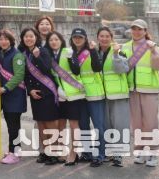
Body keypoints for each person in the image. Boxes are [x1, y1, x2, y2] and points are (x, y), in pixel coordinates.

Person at [123, 19, 159, 167]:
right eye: (134, 29)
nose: (136, 32)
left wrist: (153, 51)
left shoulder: (152, 46)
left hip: (149, 90)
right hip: (132, 90)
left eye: (140, 29)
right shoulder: (125, 47)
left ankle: (153, 153)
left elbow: (158, 66)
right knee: (137, 124)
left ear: (145, 31)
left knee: (150, 123)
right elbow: (122, 67)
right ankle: (140, 151)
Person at [19, 27, 61, 165]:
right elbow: (25, 75)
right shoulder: (24, 54)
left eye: (31, 36)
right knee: (40, 123)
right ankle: (45, 152)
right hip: (34, 93)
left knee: (50, 123)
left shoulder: (43, 51)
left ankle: (54, 153)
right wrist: (30, 90)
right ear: (23, 39)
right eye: (26, 36)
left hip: (47, 91)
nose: (29, 39)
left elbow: (46, 69)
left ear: (36, 37)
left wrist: (38, 57)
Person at [46, 31, 85, 166]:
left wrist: (70, 58)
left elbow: (76, 70)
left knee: (74, 124)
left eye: (56, 39)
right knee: (61, 125)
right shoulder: (49, 56)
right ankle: (62, 152)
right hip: (60, 95)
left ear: (61, 40)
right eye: (51, 40)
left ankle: (74, 153)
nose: (54, 42)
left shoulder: (69, 51)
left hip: (73, 93)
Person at [69, 28, 106, 167]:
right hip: (80, 94)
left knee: (98, 126)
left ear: (85, 39)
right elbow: (74, 72)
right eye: (75, 37)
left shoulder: (91, 51)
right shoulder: (71, 53)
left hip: (95, 94)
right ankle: (87, 153)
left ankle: (100, 155)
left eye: (80, 37)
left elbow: (97, 68)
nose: (77, 39)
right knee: (83, 126)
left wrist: (92, 50)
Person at [96, 27, 130, 167]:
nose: (104, 39)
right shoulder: (94, 53)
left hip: (118, 94)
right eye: (101, 36)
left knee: (119, 125)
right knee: (106, 125)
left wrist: (116, 55)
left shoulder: (119, 51)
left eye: (107, 36)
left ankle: (118, 154)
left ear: (111, 38)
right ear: (97, 38)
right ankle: (109, 152)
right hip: (101, 94)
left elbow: (123, 69)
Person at [0, 29, 27, 165]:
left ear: (11, 40)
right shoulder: (1, 54)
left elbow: (19, 76)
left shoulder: (17, 55)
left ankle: (15, 153)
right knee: (10, 126)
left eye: (6, 39)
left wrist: (6, 88)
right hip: (5, 96)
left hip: (14, 95)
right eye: (1, 39)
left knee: (14, 127)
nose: (3, 42)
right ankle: (12, 151)